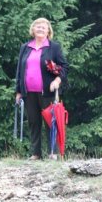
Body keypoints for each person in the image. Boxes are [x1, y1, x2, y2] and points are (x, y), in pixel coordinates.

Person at [15, 18, 69, 161]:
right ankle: (35, 154)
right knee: (33, 122)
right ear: (33, 30)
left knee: (51, 122)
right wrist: (18, 91)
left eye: (43, 27)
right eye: (38, 27)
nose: (40, 29)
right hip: (28, 92)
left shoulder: (53, 47)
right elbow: (19, 71)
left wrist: (57, 80)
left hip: (47, 91)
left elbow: (64, 67)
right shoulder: (25, 47)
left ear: (48, 31)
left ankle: (53, 153)